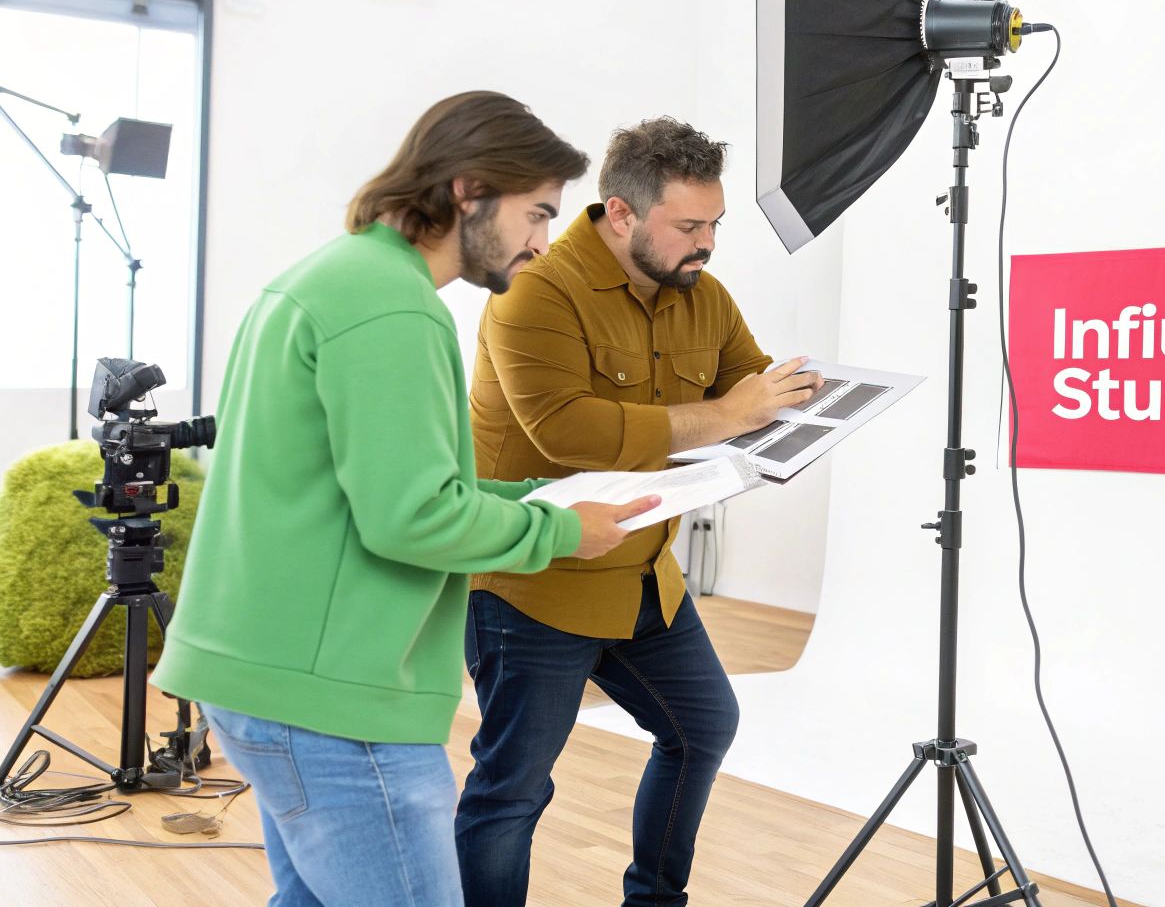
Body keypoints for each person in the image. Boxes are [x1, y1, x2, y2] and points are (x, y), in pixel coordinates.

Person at [152, 91, 659, 907]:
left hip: (266, 675)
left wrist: (541, 495)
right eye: (537, 213)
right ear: (467, 190)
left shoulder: (327, 277)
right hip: (335, 706)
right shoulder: (394, 306)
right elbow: (412, 518)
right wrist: (557, 533)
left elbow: (375, 483)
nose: (544, 241)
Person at [455, 116, 821, 907]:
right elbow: (568, 431)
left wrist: (808, 408)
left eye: (714, 223)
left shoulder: (704, 295)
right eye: (689, 225)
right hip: (537, 584)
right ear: (621, 213)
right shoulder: (532, 292)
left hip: (645, 578)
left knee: (701, 729)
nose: (708, 242)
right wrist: (728, 415)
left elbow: (752, 389)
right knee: (512, 789)